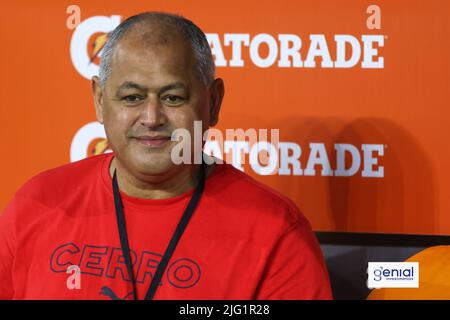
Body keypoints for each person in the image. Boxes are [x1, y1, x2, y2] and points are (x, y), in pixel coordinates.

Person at [0, 11, 332, 300]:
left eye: (172, 98)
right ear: (100, 101)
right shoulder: (35, 204)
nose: (151, 118)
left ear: (213, 102)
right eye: (131, 98)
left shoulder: (275, 233)